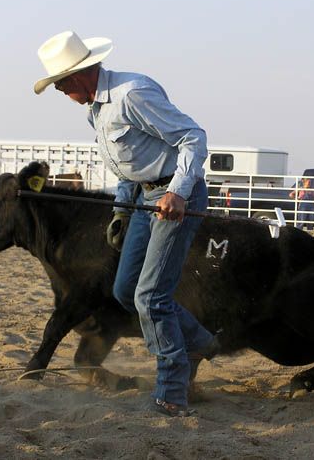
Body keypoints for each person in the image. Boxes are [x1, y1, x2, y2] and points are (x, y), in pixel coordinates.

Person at [34, 31, 219, 417]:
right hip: (142, 200)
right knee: (125, 289)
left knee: (149, 295)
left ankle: (171, 391)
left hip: (173, 197)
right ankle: (198, 340)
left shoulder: (133, 93)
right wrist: (121, 211)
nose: (60, 91)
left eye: (60, 84)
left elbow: (192, 136)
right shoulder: (95, 110)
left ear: (80, 74)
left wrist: (179, 193)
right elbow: (128, 167)